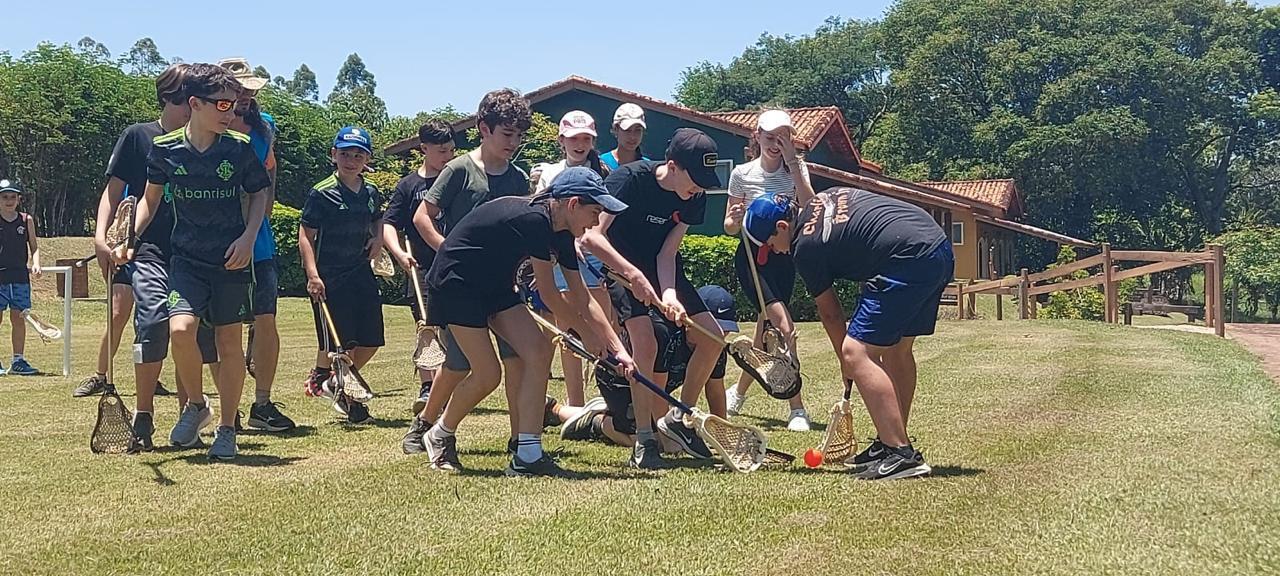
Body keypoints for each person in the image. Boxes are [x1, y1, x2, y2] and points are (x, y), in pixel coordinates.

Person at [420, 167, 634, 477]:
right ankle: (439, 434)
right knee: (488, 374)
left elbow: (583, 297)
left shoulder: (563, 232)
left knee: (538, 352)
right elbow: (548, 293)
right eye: (594, 212)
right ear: (573, 204)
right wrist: (585, 335)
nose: (595, 222)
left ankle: (528, 455)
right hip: (456, 284)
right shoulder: (535, 220)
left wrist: (617, 349)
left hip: (494, 286)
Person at [742, 188, 954, 480]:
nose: (775, 251)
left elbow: (830, 313)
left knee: (856, 351)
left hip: (905, 259)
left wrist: (846, 362)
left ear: (782, 227)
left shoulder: (805, 246)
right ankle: (891, 442)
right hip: (936, 246)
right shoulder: (820, 199)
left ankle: (900, 453)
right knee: (898, 350)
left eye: (770, 244)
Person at [125, 63, 272, 461]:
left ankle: (227, 429)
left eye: (233, 104)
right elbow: (150, 200)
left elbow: (258, 194)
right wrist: (128, 237)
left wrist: (248, 238)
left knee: (228, 344)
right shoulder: (164, 148)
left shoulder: (238, 148)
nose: (231, 112)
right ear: (195, 104)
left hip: (230, 261)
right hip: (186, 260)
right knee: (180, 329)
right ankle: (195, 404)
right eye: (222, 104)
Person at [581, 127, 726, 469]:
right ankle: (644, 439)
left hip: (659, 267)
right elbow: (592, 237)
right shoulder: (628, 180)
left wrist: (670, 293)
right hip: (620, 264)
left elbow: (667, 253)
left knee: (713, 337)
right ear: (672, 167)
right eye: (695, 179)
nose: (699, 189)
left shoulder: (695, 197)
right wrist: (632, 275)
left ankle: (679, 418)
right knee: (645, 345)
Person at [405, 89, 532, 455]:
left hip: (501, 286)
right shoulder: (459, 169)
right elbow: (422, 217)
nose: (513, 142)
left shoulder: (518, 178)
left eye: (519, 135)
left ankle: (518, 440)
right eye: (506, 134)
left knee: (518, 359)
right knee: (460, 366)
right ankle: (426, 425)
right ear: (483, 129)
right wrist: (449, 252)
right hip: (461, 287)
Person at [73, 64, 191, 401]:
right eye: (185, 99)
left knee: (169, 319)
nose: (192, 107)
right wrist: (100, 237)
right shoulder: (138, 136)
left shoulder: (199, 141)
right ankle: (101, 375)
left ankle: (156, 379)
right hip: (135, 244)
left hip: (183, 247)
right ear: (167, 97)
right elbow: (112, 192)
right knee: (120, 310)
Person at [554, 284, 734, 451]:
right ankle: (595, 422)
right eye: (716, 328)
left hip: (652, 389)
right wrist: (668, 438)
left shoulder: (713, 347)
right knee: (656, 442)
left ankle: (558, 410)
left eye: (726, 330)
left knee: (664, 439)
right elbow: (656, 394)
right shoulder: (665, 336)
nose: (722, 335)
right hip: (620, 378)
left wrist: (722, 438)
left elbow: (715, 392)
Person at [722, 110, 814, 431]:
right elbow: (729, 226)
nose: (776, 144)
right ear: (757, 136)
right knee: (784, 327)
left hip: (783, 256)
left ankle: (738, 393)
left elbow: (811, 206)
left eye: (783, 138)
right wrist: (734, 218)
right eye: (771, 137)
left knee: (765, 333)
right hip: (751, 258)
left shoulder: (797, 169)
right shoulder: (741, 174)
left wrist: (794, 165)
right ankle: (796, 407)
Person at [220, 57, 294, 433]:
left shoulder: (265, 127)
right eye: (238, 89)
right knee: (224, 326)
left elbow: (270, 169)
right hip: (216, 237)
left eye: (250, 89)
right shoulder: (206, 127)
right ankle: (227, 408)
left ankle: (262, 404)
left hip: (259, 240)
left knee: (266, 319)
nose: (246, 95)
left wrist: (264, 210)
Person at [299, 126, 385, 425]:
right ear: (334, 154)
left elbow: (378, 219)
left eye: (358, 155)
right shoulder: (321, 192)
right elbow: (306, 235)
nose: (351, 160)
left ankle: (336, 380)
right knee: (342, 344)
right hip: (329, 277)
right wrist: (313, 275)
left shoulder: (371, 191)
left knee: (371, 340)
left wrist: (378, 239)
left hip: (360, 271)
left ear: (367, 159)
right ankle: (348, 398)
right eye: (346, 154)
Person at [532, 110, 613, 407]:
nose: (580, 144)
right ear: (561, 140)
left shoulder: (604, 172)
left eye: (586, 139)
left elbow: (606, 215)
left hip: (593, 256)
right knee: (569, 328)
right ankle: (576, 402)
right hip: (560, 258)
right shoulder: (550, 173)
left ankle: (610, 396)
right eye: (574, 138)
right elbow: (542, 214)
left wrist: (587, 239)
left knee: (602, 323)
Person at [383, 119, 455, 447]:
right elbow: (389, 225)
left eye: (451, 150)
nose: (447, 156)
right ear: (424, 149)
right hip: (422, 267)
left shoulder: (457, 178)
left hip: (455, 265)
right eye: (441, 151)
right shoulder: (409, 186)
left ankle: (448, 381)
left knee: (453, 329)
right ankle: (428, 387)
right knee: (427, 326)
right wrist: (399, 253)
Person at [0, 179, 41, 376]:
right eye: (4, 197)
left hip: (20, 276)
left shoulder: (26, 220)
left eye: (13, 197)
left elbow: (34, 246)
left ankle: (18, 360)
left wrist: (36, 262)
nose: (9, 201)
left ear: (19, 199)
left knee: (18, 318)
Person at [599, 103, 649, 171]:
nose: (632, 137)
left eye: (638, 130)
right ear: (616, 129)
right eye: (627, 130)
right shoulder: (601, 163)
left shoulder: (648, 167)